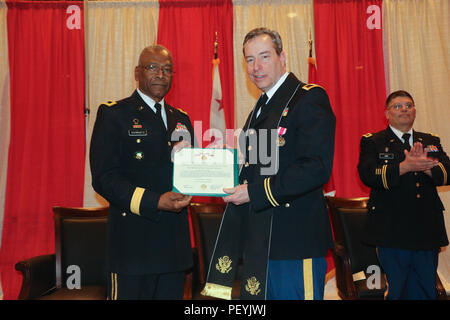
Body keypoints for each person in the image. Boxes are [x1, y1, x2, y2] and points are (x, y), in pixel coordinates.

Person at [201, 27, 336, 300]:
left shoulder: (307, 98)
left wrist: (252, 192)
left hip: (295, 240)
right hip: (263, 240)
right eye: (249, 60)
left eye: (264, 57)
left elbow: (316, 167)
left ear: (282, 57)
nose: (256, 67)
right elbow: (256, 165)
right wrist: (207, 160)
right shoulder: (262, 107)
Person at [90, 45, 195, 300]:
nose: (161, 74)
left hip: (173, 248)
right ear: (137, 72)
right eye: (153, 67)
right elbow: (104, 178)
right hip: (132, 249)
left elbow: (189, 171)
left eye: (167, 69)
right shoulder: (114, 114)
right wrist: (154, 201)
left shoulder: (182, 119)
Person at [358, 90, 449, 299]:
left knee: (426, 288)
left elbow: (448, 171)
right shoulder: (373, 141)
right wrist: (404, 167)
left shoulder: (430, 140)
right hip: (391, 229)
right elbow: (367, 174)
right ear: (387, 113)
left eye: (408, 105)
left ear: (415, 111)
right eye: (397, 106)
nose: (404, 109)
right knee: (398, 290)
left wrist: (426, 168)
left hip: (427, 228)